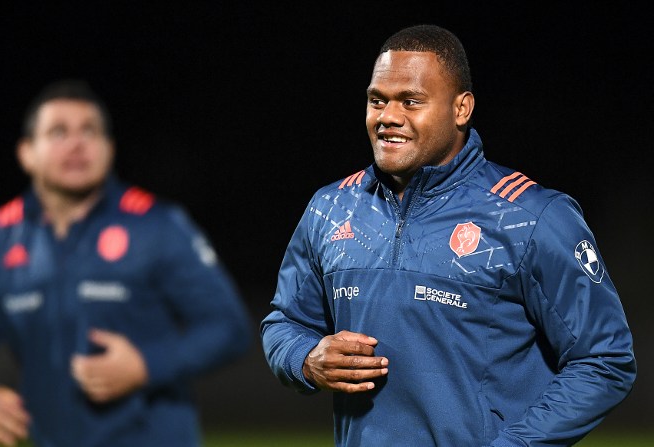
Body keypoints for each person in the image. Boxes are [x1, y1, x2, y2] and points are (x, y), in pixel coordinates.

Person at [260, 24, 636, 446]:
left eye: (411, 101)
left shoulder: (532, 217)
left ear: (462, 109)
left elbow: (605, 359)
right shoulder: (332, 208)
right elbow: (286, 322)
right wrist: (305, 359)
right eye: (376, 100)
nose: (388, 117)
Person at [0, 79, 253, 447]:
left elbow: (228, 328)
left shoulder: (158, 226)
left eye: (90, 131)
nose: (76, 143)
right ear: (26, 153)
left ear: (109, 149)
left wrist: (147, 365)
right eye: (58, 132)